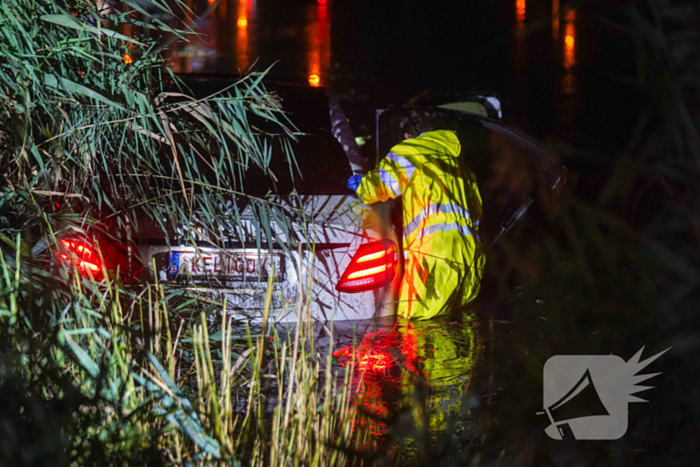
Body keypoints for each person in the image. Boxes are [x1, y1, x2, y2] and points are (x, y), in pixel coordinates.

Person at [348, 114, 485, 320]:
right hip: (469, 253)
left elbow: (381, 185)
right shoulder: (457, 162)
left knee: (415, 322)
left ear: (406, 135)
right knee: (457, 320)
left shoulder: (410, 151)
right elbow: (476, 209)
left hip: (434, 253)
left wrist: (362, 185)